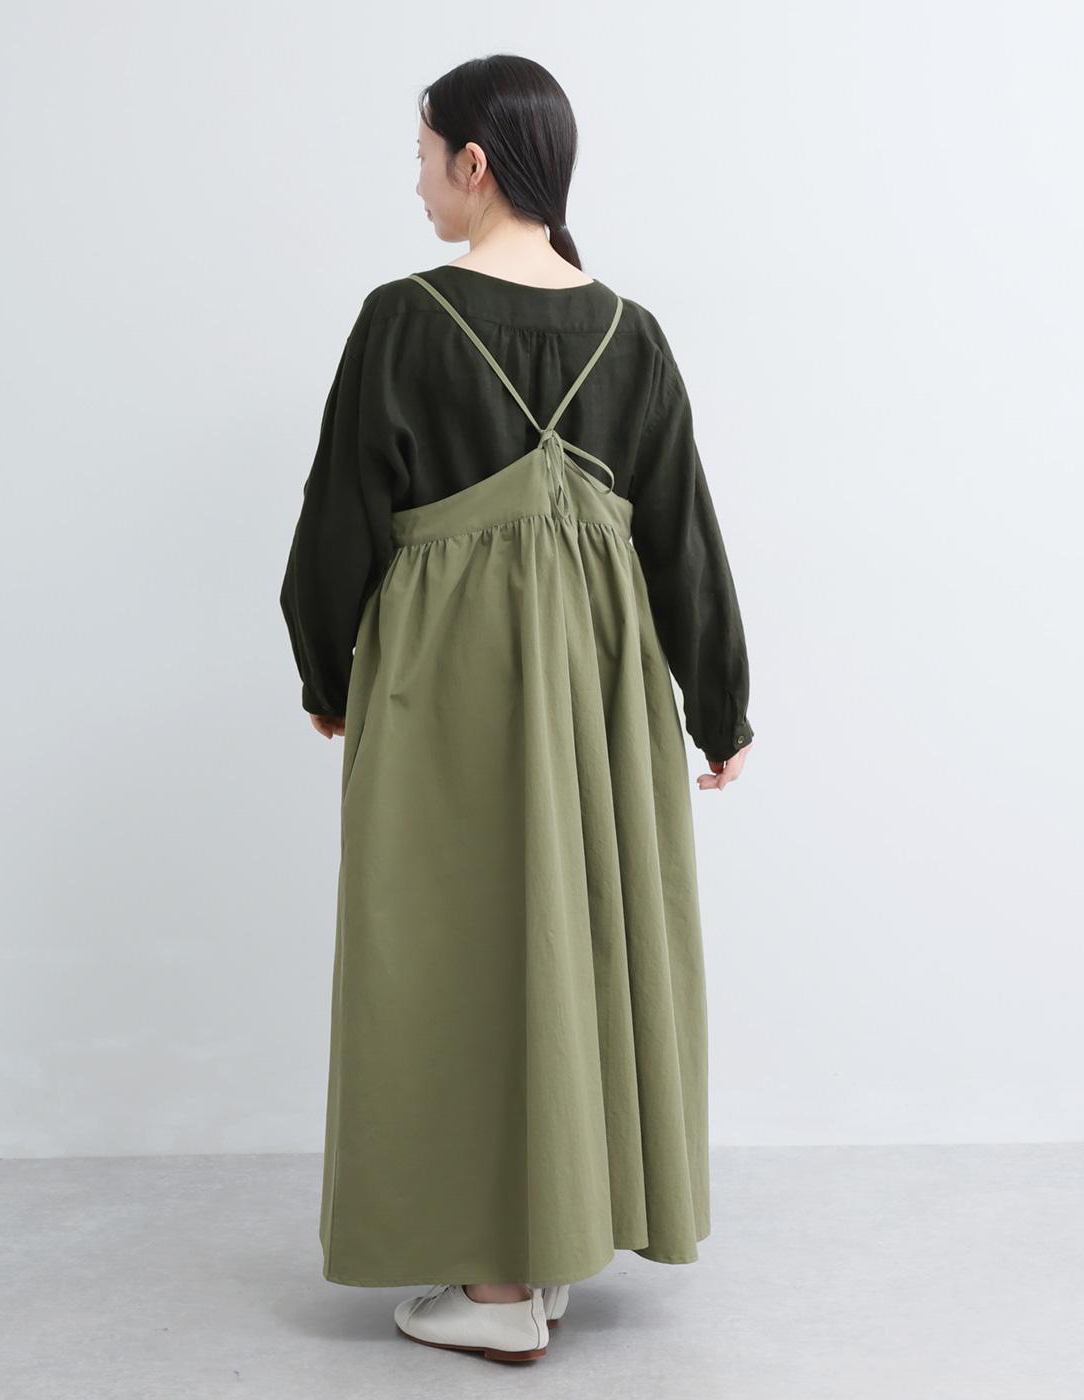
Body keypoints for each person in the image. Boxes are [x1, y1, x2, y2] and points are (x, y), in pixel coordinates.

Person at [279, 53, 755, 1364]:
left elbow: (340, 517)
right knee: (569, 939)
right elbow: (683, 535)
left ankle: (493, 1292)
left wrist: (326, 671)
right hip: (597, 695)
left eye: (424, 154)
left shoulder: (404, 320)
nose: (417, 181)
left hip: (447, 685)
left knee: (453, 949)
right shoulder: (631, 333)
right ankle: (538, 1254)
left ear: (475, 164)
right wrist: (720, 708)